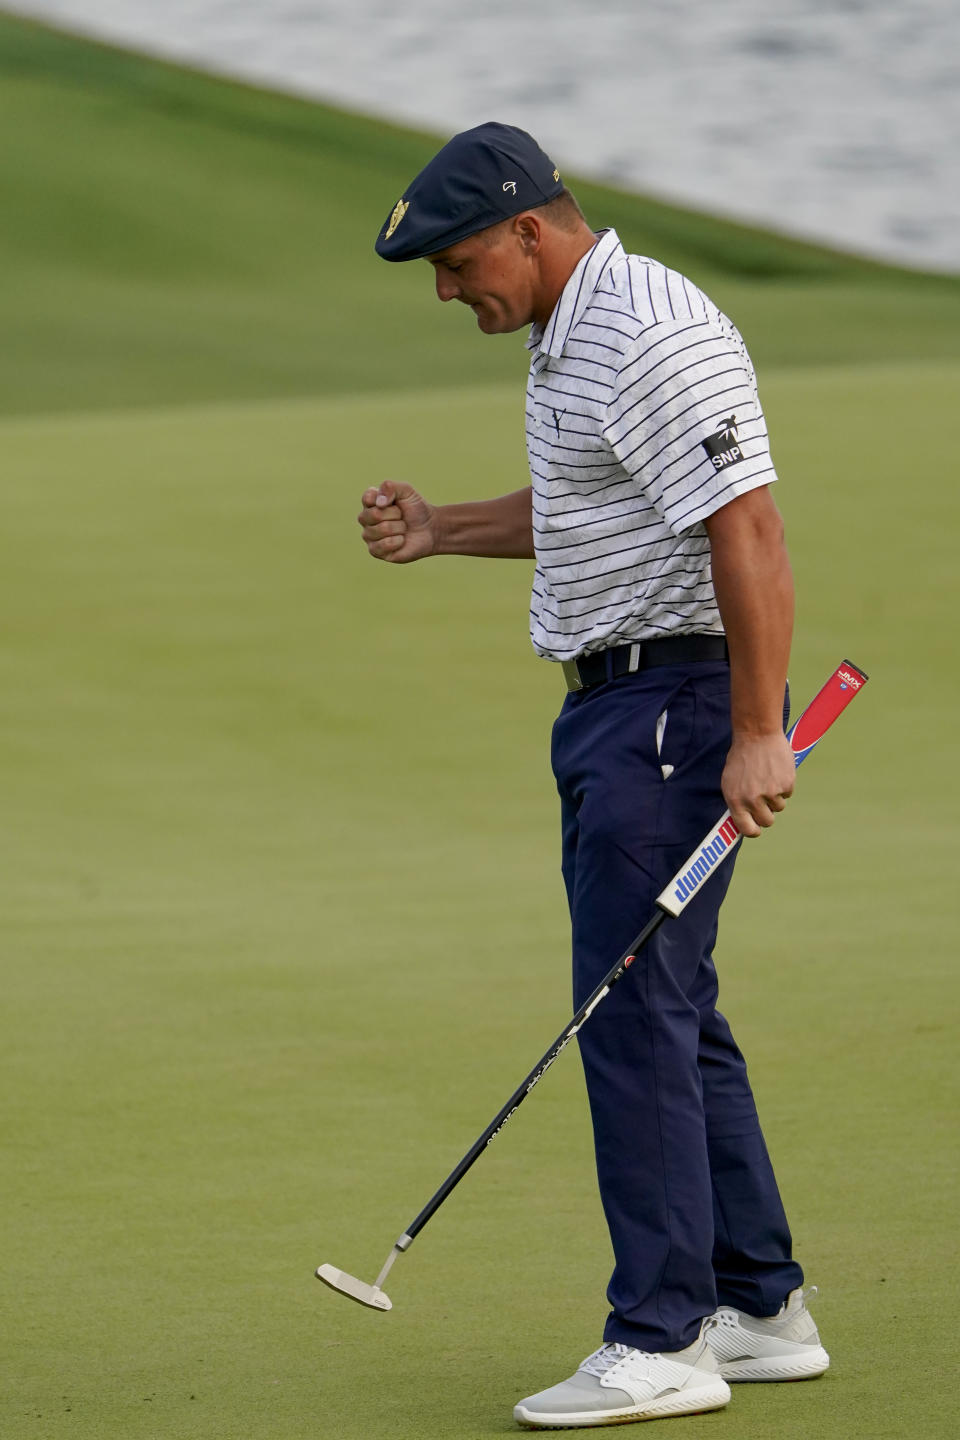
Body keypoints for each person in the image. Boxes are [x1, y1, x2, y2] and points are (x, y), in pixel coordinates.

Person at [359, 122, 829, 1430]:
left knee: (629, 1022)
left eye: (456, 265)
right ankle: (761, 1305)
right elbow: (592, 508)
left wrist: (753, 729)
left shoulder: (645, 331)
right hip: (637, 709)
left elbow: (752, 528)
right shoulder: (579, 334)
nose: (450, 292)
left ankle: (660, 1336)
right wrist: (445, 528)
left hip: (675, 715)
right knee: (678, 1011)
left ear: (529, 227)